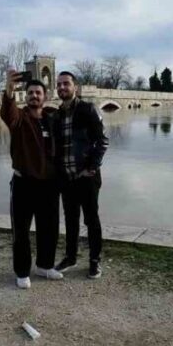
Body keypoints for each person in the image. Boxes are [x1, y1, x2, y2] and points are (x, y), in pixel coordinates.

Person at [0, 70, 63, 289]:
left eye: (38, 92)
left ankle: (44, 266)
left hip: (49, 185)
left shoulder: (51, 119)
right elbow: (8, 113)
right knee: (21, 231)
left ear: (44, 97)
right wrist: (9, 90)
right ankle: (22, 271)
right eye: (30, 93)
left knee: (49, 227)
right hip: (24, 184)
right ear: (25, 96)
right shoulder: (19, 118)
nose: (34, 96)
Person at [49, 71, 109, 279]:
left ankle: (94, 261)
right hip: (66, 179)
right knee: (71, 220)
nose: (62, 87)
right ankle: (71, 256)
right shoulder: (56, 116)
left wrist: (92, 167)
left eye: (66, 84)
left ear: (75, 87)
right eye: (59, 85)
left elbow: (102, 141)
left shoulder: (87, 110)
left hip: (86, 177)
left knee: (91, 220)